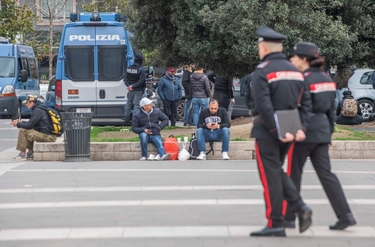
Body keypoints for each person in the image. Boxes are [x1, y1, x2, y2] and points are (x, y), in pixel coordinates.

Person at [284, 42, 357, 231]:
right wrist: (329, 134)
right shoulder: (326, 79)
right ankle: (345, 215)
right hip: (322, 132)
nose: (291, 60)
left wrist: (290, 131)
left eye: (294, 57)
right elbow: (331, 109)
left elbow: (297, 107)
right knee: (327, 175)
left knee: (293, 174)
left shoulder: (302, 79)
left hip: (303, 132)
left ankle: (290, 218)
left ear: (304, 60)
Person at [249, 26, 313, 237]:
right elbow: (305, 102)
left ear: (264, 47)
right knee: (276, 171)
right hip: (292, 127)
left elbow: (263, 106)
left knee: (270, 176)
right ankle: (297, 208)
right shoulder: (296, 71)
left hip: (268, 130)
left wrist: (275, 129)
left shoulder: (262, 71)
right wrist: (301, 127)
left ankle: (276, 221)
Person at [11, 94, 57, 160]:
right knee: (29, 130)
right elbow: (31, 124)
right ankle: (30, 153)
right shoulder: (40, 108)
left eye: (27, 103)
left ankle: (22, 154)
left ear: (32, 103)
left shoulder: (37, 111)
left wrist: (18, 124)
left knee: (23, 130)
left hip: (48, 136)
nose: (26, 105)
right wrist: (20, 122)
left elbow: (29, 125)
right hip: (49, 135)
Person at [123, 54, 146, 123]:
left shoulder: (129, 68)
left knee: (129, 102)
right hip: (138, 89)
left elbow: (125, 79)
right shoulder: (141, 69)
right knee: (137, 105)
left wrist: (129, 86)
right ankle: (135, 120)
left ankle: (126, 117)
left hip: (130, 90)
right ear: (141, 61)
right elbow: (141, 81)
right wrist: (133, 86)